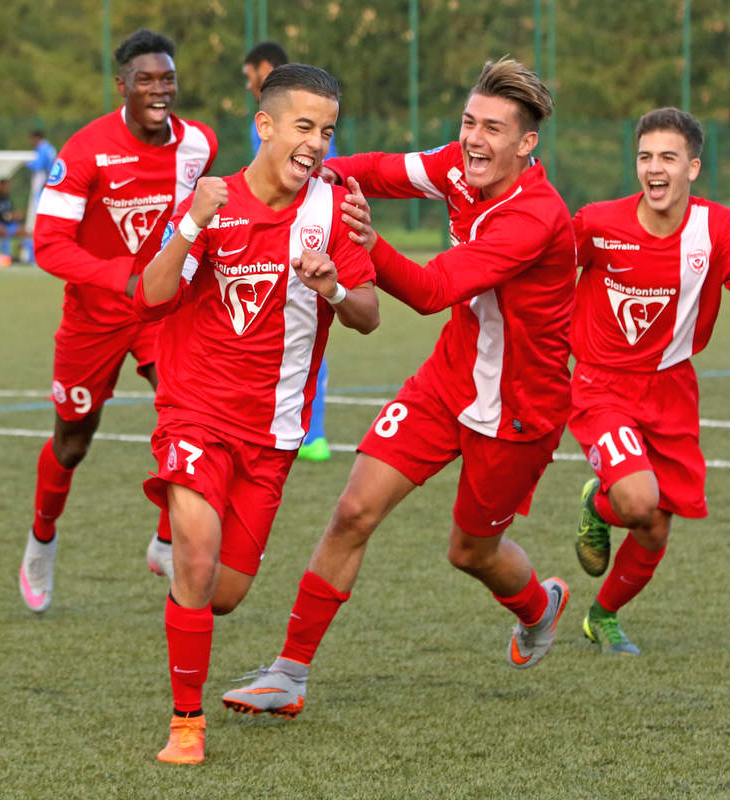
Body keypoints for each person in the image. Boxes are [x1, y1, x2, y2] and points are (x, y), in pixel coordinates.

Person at [223, 57, 576, 720]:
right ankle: (289, 674)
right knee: (354, 510)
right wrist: (319, 171)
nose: (474, 139)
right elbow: (380, 169)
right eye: (470, 121)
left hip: (519, 410)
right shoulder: (457, 165)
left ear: (526, 144)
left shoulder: (536, 218)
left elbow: (432, 290)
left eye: (494, 129)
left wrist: (367, 244)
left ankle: (539, 604)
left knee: (470, 551)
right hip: (447, 381)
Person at [135, 63, 378, 764]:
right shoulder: (212, 200)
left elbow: (368, 316)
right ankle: (187, 723)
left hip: (271, 435)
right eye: (304, 126)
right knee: (197, 559)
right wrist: (189, 224)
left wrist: (332, 285)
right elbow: (150, 297)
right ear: (265, 125)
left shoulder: (332, 210)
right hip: (194, 413)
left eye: (327, 131)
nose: (316, 143)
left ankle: (177, 541)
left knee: (225, 593)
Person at [568, 107, 730, 655]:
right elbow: (540, 261)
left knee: (655, 528)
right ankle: (601, 503)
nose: (654, 168)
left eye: (668, 157)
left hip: (671, 389)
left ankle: (602, 616)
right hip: (602, 385)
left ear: (693, 167)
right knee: (640, 501)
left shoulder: (716, 228)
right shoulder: (598, 222)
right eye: (645, 157)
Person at [17, 29, 218, 614]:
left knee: (190, 414)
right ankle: (42, 541)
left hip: (163, 313)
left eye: (168, 79)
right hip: (95, 316)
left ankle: (164, 539)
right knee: (73, 442)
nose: (160, 90)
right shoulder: (83, 151)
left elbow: (199, 218)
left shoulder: (199, 144)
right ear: (122, 86)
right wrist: (123, 279)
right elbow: (49, 245)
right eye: (147, 80)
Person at [244, 41, 339, 461]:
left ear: (263, 68)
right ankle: (303, 430)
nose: (315, 141)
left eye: (249, 76)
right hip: (277, 232)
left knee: (305, 323)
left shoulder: (294, 112)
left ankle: (310, 432)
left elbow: (320, 174)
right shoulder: (285, 111)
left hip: (302, 231)